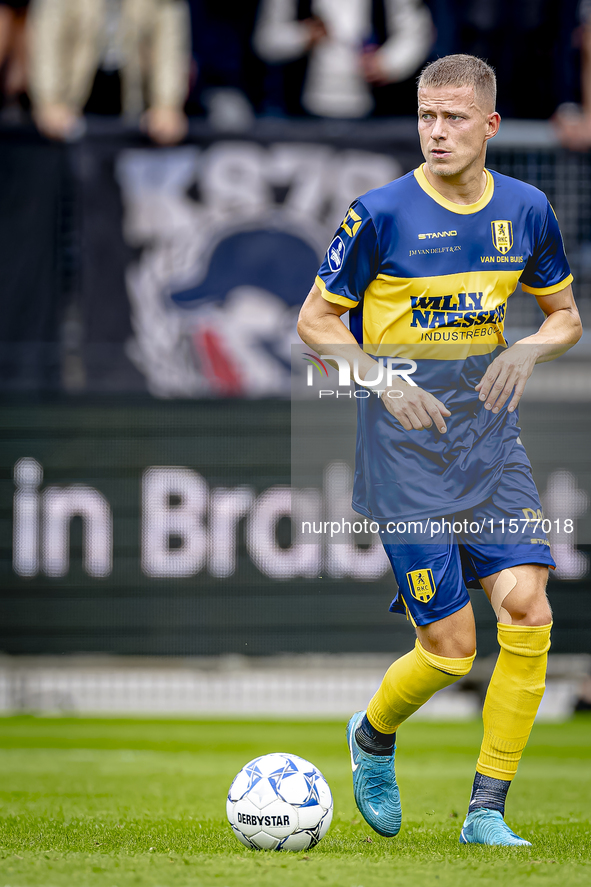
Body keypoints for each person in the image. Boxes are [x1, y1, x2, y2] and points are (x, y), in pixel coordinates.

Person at [297, 54, 582, 846]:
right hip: (403, 456)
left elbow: (563, 315)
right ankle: (371, 734)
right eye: (425, 115)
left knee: (527, 609)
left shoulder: (525, 209)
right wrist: (382, 377)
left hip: (491, 444)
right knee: (451, 650)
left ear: (489, 126)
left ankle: (485, 812)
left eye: (453, 117)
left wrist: (527, 350)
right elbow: (315, 321)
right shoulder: (378, 213)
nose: (436, 131)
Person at [27, 0, 190, 144]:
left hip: (134, 97)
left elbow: (170, 44)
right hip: (75, 95)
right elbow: (47, 41)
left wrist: (167, 103)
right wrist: (50, 100)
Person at [253, 0, 433, 118]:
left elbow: (416, 33)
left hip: (377, 107)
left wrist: (387, 63)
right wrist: (303, 36)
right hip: (302, 106)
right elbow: (265, 40)